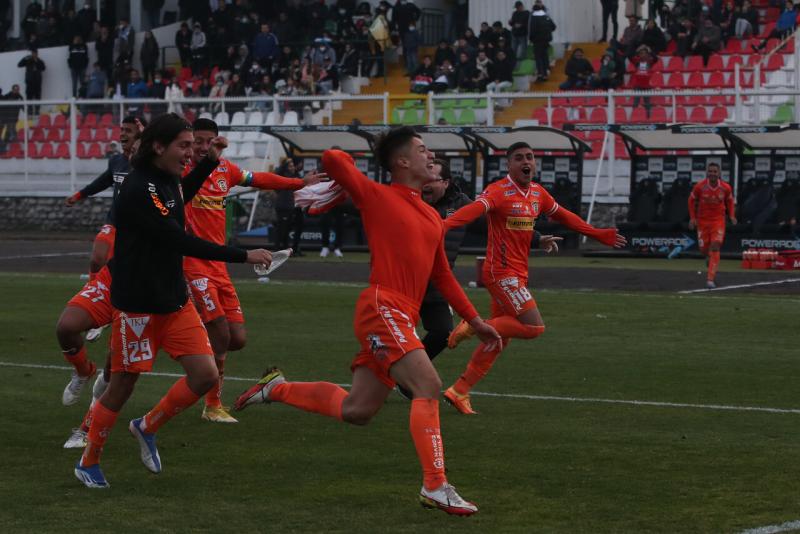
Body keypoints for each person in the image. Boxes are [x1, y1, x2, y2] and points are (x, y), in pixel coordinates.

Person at [234, 127, 502, 515]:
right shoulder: (377, 195)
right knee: (428, 384)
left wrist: (475, 322)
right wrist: (350, 183)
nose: (433, 158)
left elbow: (441, 277)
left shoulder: (430, 214)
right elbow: (332, 159)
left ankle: (275, 389)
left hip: (400, 316)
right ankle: (435, 485)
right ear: (401, 162)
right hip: (382, 308)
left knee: (357, 410)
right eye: (423, 150)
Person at [73, 113, 272, 488]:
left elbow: (185, 194)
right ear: (158, 146)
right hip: (137, 306)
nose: (189, 153)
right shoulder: (140, 188)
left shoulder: (166, 179)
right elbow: (176, 239)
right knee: (121, 385)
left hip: (173, 300)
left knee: (205, 374)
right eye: (183, 146)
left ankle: (146, 427)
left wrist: (210, 161)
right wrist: (243, 255)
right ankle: (89, 460)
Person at [442, 142, 627, 414]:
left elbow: (566, 217)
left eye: (530, 157)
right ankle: (473, 325)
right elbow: (474, 211)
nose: (526, 162)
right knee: (534, 328)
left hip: (517, 273)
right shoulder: (499, 190)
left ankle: (459, 390)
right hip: (500, 272)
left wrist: (597, 234)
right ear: (509, 165)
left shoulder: (538, 193)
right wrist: (444, 225)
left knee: (499, 340)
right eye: (519, 158)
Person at [182, 119, 324, 423]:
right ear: (189, 142)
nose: (204, 147)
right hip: (193, 264)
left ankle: (193, 345)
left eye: (210, 141)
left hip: (220, 265)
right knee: (220, 335)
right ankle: (212, 404)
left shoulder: (226, 169)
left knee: (237, 338)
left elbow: (259, 178)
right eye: (198, 141)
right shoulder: (180, 173)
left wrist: (299, 183)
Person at [65, 117, 144, 280]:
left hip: (139, 227)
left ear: (139, 136)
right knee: (97, 259)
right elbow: (103, 181)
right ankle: (91, 291)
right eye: (122, 130)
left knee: (128, 273)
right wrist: (79, 195)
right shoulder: (116, 161)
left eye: (128, 130)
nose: (123, 134)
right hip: (115, 222)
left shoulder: (148, 163)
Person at [688, 163, 736, 288]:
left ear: (719, 173)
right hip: (702, 221)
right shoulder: (700, 187)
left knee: (715, 245)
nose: (712, 174)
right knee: (703, 249)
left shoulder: (726, 187)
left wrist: (731, 215)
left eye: (715, 171)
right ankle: (708, 257)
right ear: (707, 173)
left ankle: (710, 279)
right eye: (710, 171)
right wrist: (692, 218)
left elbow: (730, 201)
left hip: (718, 221)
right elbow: (691, 200)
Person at [528, 0, 556, 82]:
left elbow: (531, 30)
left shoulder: (533, 17)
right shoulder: (546, 16)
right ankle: (546, 73)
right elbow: (554, 27)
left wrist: (531, 39)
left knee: (538, 57)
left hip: (537, 41)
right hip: (546, 40)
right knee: (544, 56)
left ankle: (540, 74)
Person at [17, 48, 45, 114]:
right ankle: (30, 111)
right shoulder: (28, 59)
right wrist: (24, 58)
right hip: (29, 81)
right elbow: (19, 65)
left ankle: (37, 111)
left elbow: (43, 68)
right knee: (29, 96)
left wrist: (37, 61)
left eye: (35, 53)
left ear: (37, 54)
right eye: (33, 53)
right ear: (31, 53)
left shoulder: (40, 61)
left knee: (38, 97)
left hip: (37, 82)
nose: (34, 54)